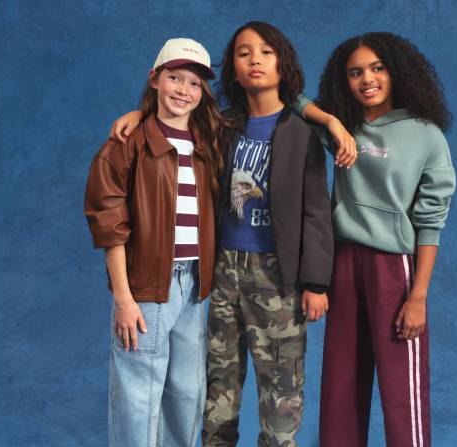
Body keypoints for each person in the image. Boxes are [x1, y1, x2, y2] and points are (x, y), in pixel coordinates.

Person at [110, 21, 356, 446]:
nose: (255, 59)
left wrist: (316, 282)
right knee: (216, 386)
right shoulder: (220, 127)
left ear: (283, 63)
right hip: (222, 273)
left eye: (266, 51)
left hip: (279, 277)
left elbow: (317, 213)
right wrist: (140, 113)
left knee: (281, 386)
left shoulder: (301, 133)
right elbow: (174, 116)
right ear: (233, 71)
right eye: (244, 53)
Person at [295, 32, 457, 447]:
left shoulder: (425, 135)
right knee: (341, 384)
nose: (367, 79)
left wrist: (417, 296)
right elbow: (288, 97)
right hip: (343, 263)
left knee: (402, 390)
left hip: (394, 268)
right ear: (343, 80)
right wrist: (331, 120)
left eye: (377, 68)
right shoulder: (341, 129)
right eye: (355, 72)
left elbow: (430, 221)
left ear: (396, 72)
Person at [84, 37, 223, 447]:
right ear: (154, 80)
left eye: (194, 83)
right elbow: (110, 225)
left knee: (186, 394)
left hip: (195, 286)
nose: (183, 89)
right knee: (138, 395)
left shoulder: (208, 143)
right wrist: (124, 299)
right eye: (174, 78)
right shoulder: (125, 145)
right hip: (145, 287)